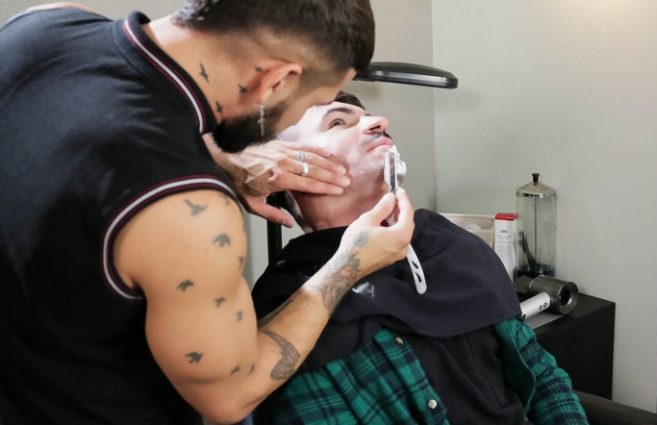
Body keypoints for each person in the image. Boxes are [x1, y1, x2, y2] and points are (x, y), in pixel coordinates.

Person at [0, 2, 416, 424]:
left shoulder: (43, 26)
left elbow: (104, 125)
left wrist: (219, 157)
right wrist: (347, 265)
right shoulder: (189, 211)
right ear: (277, 80)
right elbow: (229, 397)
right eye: (321, 103)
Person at [249, 92, 589, 424]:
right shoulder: (285, 316)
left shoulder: (453, 247)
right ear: (286, 177)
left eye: (369, 116)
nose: (379, 122)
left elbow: (542, 378)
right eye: (337, 123)